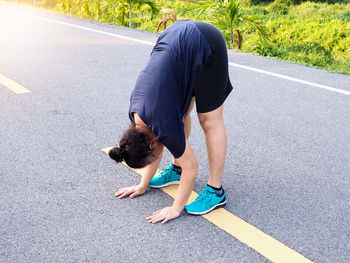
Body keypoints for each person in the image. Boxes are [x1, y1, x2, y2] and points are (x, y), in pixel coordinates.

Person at [109, 20, 233, 224]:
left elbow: (192, 167)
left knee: (209, 119)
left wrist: (176, 207)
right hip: (179, 39)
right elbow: (156, 145)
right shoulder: (136, 116)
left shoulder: (162, 125)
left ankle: (216, 191)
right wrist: (142, 185)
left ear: (151, 143)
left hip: (207, 41)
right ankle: (176, 170)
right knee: (181, 115)